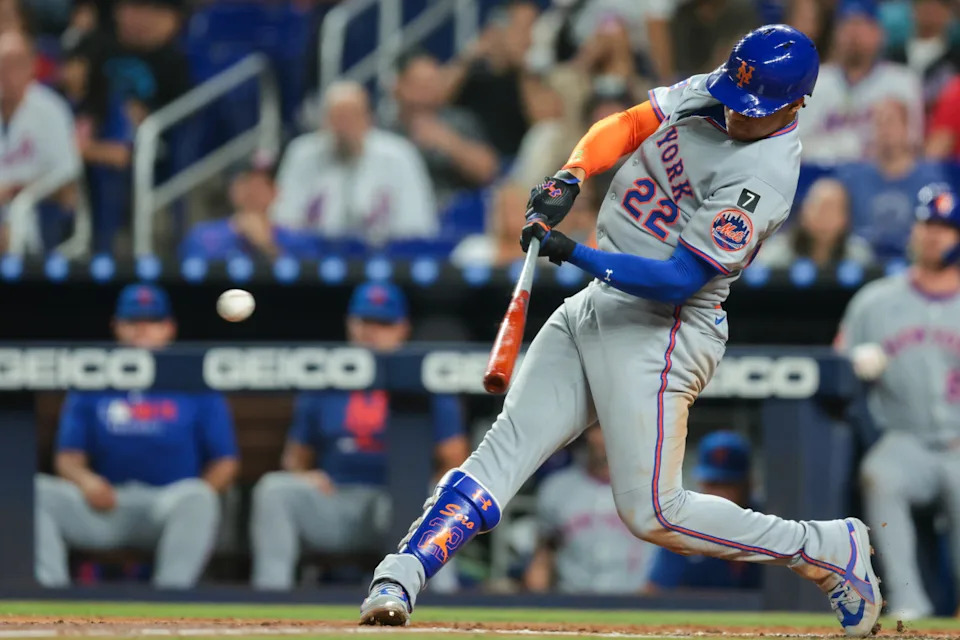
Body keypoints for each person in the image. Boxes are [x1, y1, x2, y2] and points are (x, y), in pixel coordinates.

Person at [360, 25, 882, 638]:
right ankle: (400, 576)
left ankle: (823, 547)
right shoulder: (719, 90)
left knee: (654, 512)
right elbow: (631, 123)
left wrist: (572, 251)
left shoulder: (763, 175)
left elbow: (678, 279)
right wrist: (572, 174)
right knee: (502, 452)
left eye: (754, 110)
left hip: (665, 330)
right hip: (602, 302)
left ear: (796, 104)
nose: (738, 115)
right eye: (736, 100)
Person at [250, 281, 469, 590]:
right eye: (365, 322)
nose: (372, 332)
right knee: (274, 490)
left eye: (383, 323)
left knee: (435, 500)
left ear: (402, 328)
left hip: (396, 504)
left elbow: (455, 460)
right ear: (350, 324)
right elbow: (295, 458)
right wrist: (306, 476)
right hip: (335, 499)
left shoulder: (424, 378)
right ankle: (270, 600)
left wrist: (418, 489)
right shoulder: (326, 376)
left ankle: (443, 603)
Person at [34, 283, 239, 588]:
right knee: (38, 491)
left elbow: (225, 462)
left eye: (152, 322)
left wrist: (196, 495)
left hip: (167, 507)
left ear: (169, 328)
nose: (142, 331)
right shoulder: (93, 378)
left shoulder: (195, 380)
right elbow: (68, 458)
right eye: (132, 323)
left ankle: (170, 602)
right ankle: (50, 600)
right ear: (116, 326)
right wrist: (86, 481)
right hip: (107, 505)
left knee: (198, 498)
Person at [836, 183, 960, 620]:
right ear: (913, 231)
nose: (934, 235)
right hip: (906, 440)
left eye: (946, 227)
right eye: (928, 224)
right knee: (879, 474)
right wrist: (853, 360)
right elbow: (835, 361)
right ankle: (908, 600)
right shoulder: (877, 300)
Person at [272, 81, 438, 247]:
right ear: (324, 122)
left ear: (369, 119)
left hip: (385, 258)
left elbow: (418, 225)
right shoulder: (302, 154)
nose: (345, 127)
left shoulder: (399, 155)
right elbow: (283, 220)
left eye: (353, 117)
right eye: (337, 118)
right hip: (313, 258)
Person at [524, 425, 656, 593]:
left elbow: (672, 558)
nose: (609, 437)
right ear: (587, 433)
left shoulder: (656, 487)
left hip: (637, 603)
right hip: (572, 602)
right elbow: (542, 558)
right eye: (600, 429)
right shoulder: (556, 487)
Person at [799, 0, 922, 164]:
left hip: (878, 176)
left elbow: (911, 144)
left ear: (879, 33)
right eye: (847, 25)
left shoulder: (902, 81)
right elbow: (798, 144)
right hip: (820, 174)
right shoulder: (812, 80)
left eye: (861, 25)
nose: (853, 34)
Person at [645, 431, 763, 591]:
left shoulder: (766, 525)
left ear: (748, 485)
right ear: (700, 483)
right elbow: (653, 592)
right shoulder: (682, 528)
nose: (719, 494)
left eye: (728, 484)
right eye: (712, 484)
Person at [0, 30, 81, 253]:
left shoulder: (51, 109)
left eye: (15, 63)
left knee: (17, 220)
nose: (7, 72)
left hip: (36, 211)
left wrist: (16, 190)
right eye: (2, 64)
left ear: (31, 66)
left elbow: (67, 187)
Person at [387, 51, 498, 210]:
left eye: (433, 82)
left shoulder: (461, 122)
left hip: (454, 211)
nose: (427, 90)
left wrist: (449, 143)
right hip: (400, 212)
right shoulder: (385, 130)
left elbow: (489, 171)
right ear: (399, 86)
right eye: (419, 83)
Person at [836, 99, 946, 261]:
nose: (884, 130)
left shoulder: (931, 179)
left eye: (890, 122)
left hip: (915, 260)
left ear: (907, 128)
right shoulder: (852, 177)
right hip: (861, 261)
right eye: (878, 124)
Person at [442, 0, 539, 158]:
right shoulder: (472, 70)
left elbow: (542, 123)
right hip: (470, 159)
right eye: (522, 30)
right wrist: (468, 57)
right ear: (499, 30)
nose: (529, 39)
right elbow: (435, 98)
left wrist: (523, 70)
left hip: (517, 162)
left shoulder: (533, 76)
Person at [179, 154, 317, 260]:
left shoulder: (297, 239)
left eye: (261, 185)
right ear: (232, 190)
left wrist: (267, 246)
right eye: (246, 182)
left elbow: (309, 289)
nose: (252, 192)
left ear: (275, 192)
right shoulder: (202, 236)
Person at [755, 178, 874, 269]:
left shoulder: (859, 257)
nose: (825, 218)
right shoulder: (776, 254)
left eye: (832, 210)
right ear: (803, 213)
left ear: (846, 218)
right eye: (819, 209)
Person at [886, 0, 960, 112]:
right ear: (912, 9)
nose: (929, 10)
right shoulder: (893, 55)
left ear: (949, 13)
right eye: (924, 4)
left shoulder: (955, 59)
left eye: (937, 5)